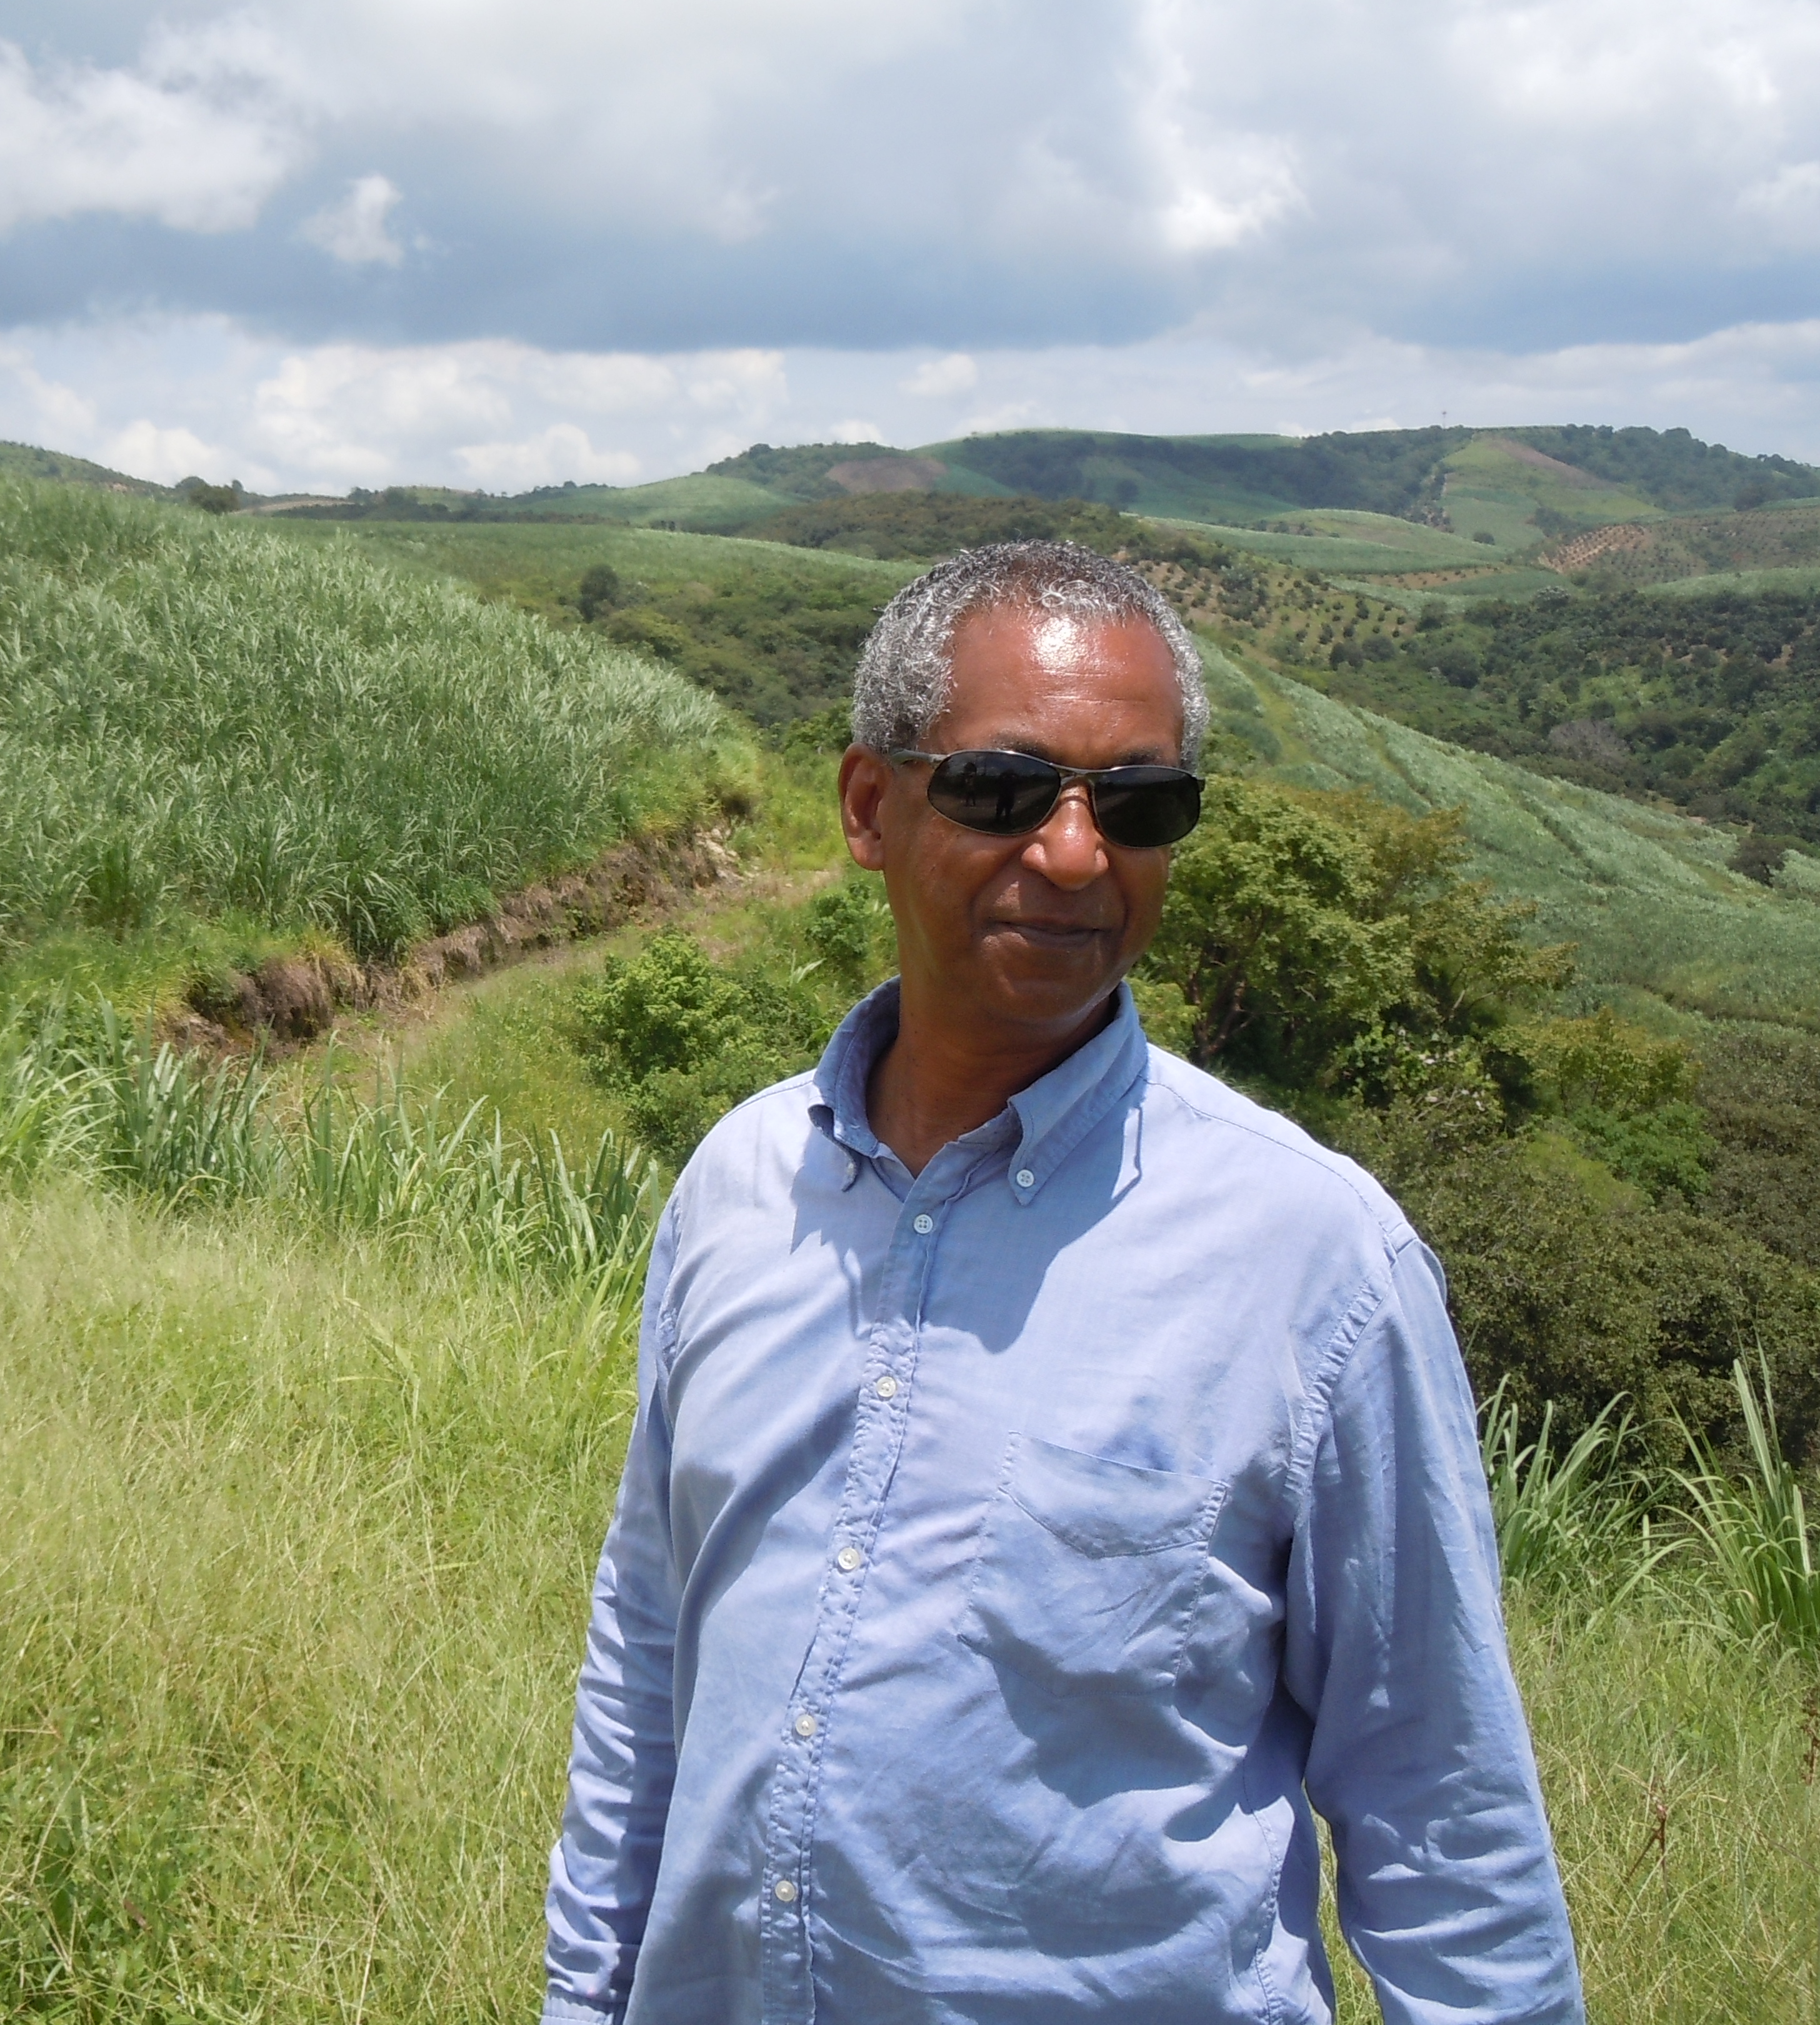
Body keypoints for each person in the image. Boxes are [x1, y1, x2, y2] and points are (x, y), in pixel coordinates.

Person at [541, 541, 1582, 2024]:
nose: (1077, 854)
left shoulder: (1314, 1261)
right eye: (1001, 790)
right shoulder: (739, 1188)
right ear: (865, 807)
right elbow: (651, 1657)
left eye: (1139, 805)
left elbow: (1446, 1817)